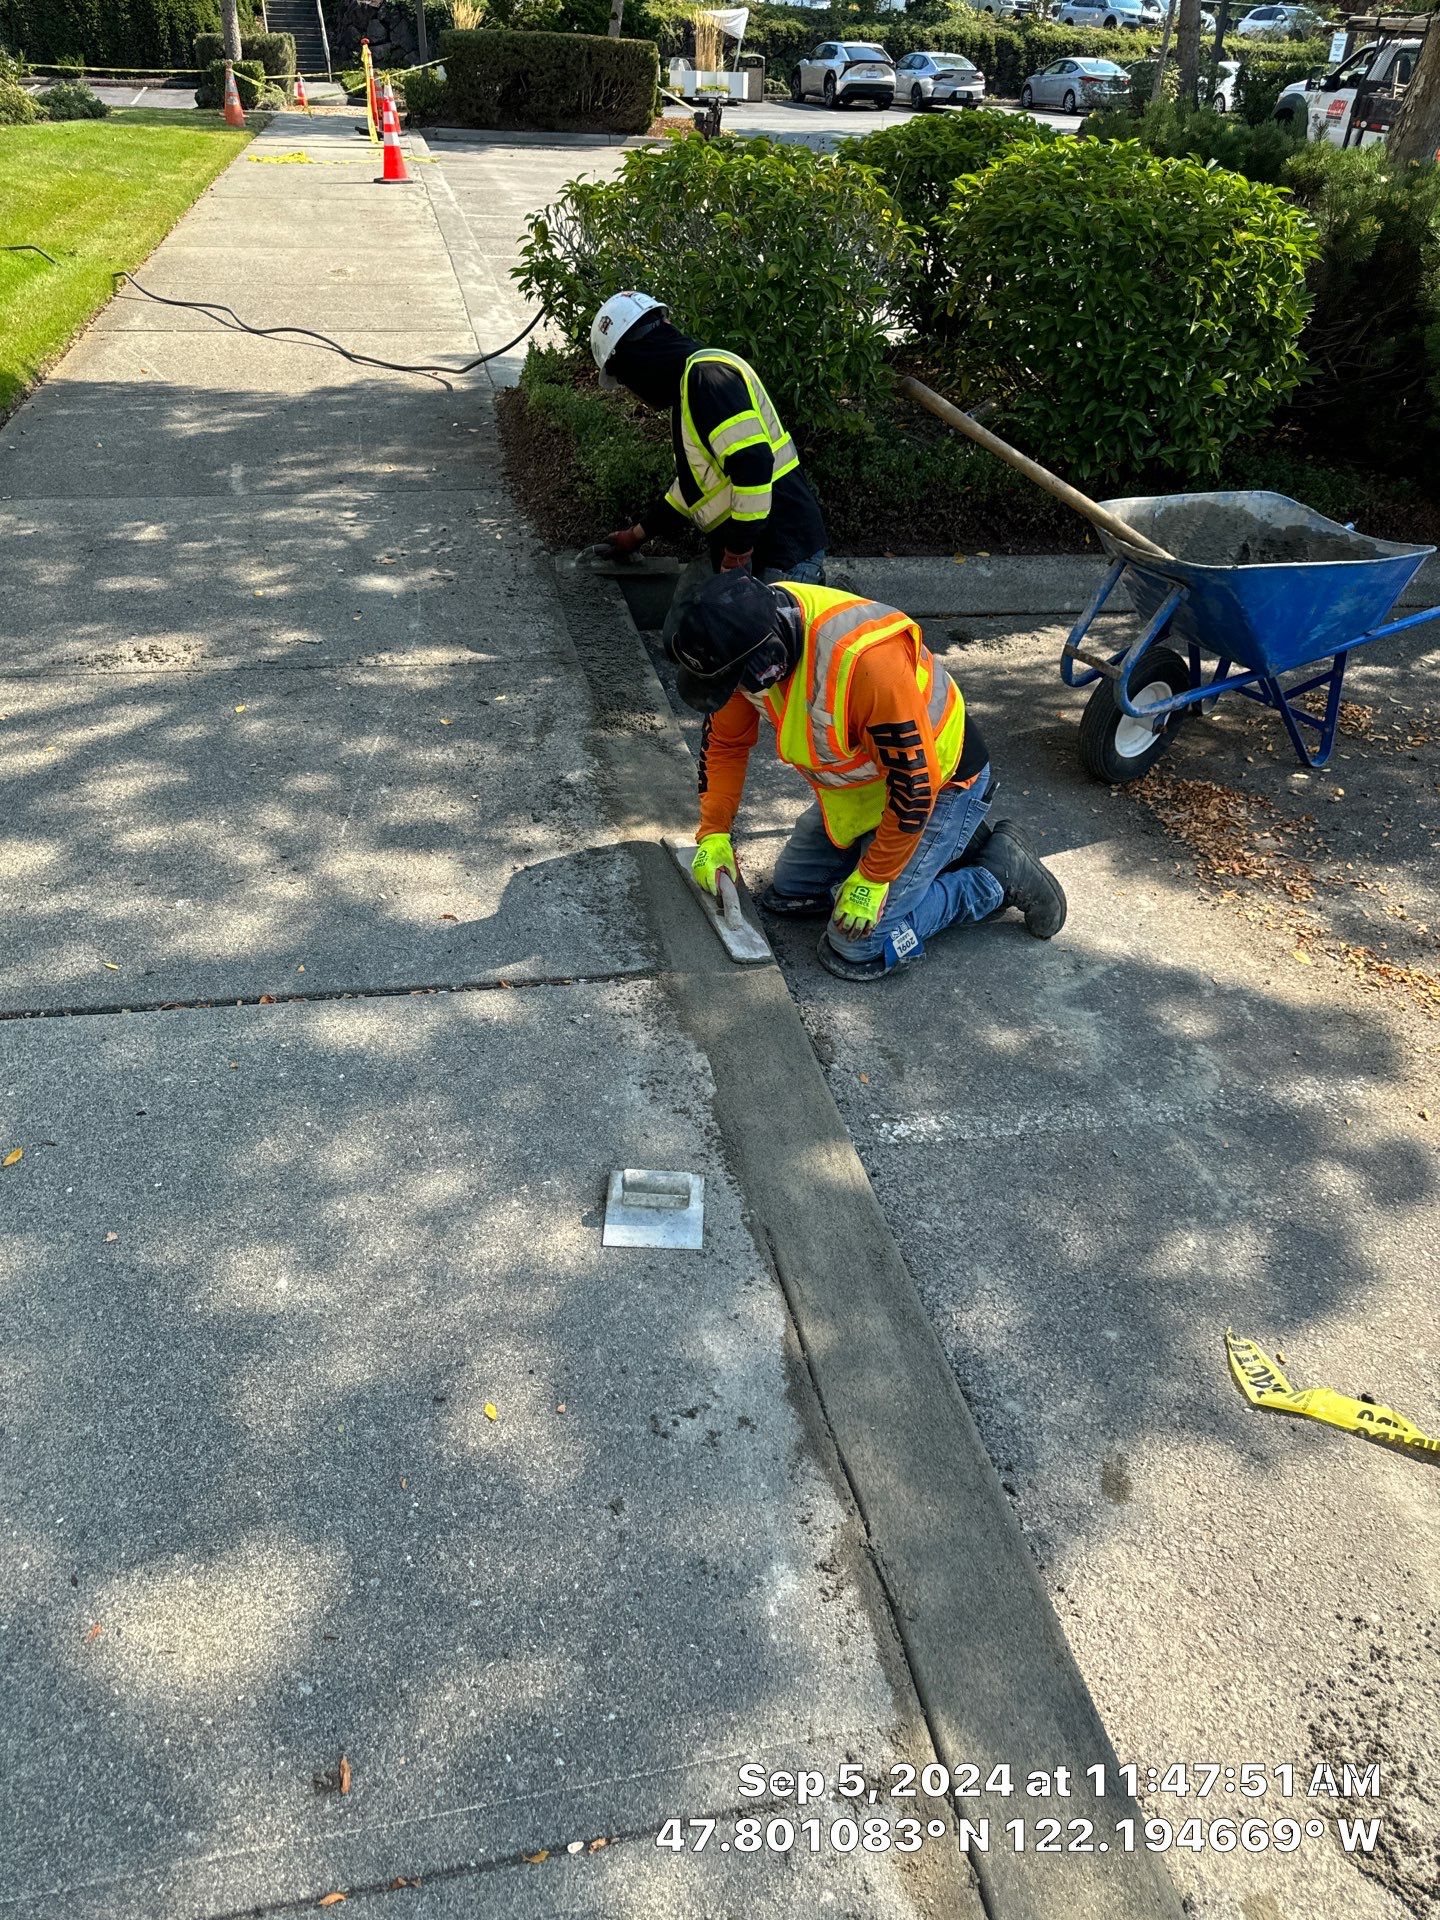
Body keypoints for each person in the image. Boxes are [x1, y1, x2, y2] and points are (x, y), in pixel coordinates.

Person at [667, 570, 1067, 982]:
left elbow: (914, 785)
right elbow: (726, 746)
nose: (733, 691)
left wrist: (875, 877)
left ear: (770, 659)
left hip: (940, 785)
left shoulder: (866, 663)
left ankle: (995, 876)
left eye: (733, 682)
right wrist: (714, 832)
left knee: (857, 946)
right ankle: (939, 851)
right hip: (866, 787)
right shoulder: (736, 647)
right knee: (790, 895)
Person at [588, 292, 828, 597]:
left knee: (756, 643)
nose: (634, 394)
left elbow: (753, 463)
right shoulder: (689, 388)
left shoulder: (708, 378)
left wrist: (737, 553)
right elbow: (694, 489)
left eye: (626, 381)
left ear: (638, 360)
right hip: (765, 552)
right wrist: (636, 535)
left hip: (783, 554)